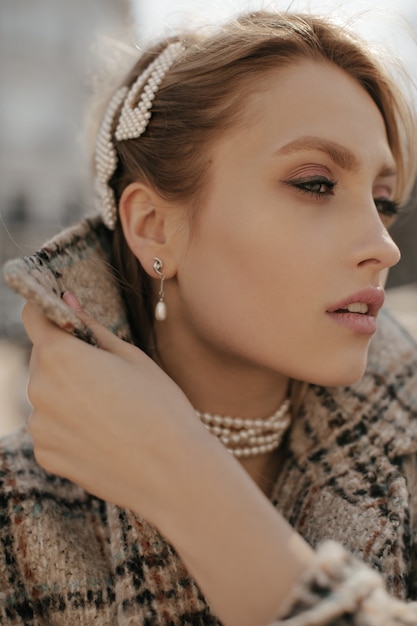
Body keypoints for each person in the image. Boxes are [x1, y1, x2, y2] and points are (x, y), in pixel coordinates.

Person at [2, 8, 417, 625]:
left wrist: (184, 476)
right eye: (315, 183)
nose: (385, 246)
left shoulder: (404, 462)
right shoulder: (16, 517)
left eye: (383, 201)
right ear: (154, 227)